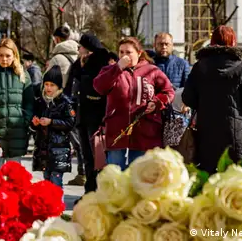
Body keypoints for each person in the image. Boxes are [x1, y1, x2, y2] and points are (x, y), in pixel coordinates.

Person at [182, 26, 242, 174]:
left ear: (212, 41)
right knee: (237, 178)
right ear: (233, 41)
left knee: (211, 179)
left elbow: (187, 98)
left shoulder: (199, 66)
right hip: (238, 135)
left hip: (207, 134)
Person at [93, 36, 175, 170]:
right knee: (116, 175)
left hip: (145, 132)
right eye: (121, 52)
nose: (124, 56)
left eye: (128, 52)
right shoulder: (111, 70)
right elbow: (99, 87)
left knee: (140, 174)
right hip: (117, 132)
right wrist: (118, 68)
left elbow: (168, 91)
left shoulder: (152, 71)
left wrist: (156, 102)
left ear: (139, 53)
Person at [64, 33, 111, 192]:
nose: (78, 49)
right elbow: (71, 87)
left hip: (96, 118)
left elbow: (98, 89)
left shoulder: (102, 63)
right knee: (87, 157)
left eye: (80, 47)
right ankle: (90, 190)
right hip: (82, 116)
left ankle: (100, 191)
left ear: (88, 49)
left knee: (98, 157)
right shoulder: (79, 64)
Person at [0, 38, 35, 169]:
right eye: (1, 55)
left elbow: (29, 102)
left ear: (14, 55)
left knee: (15, 176)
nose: (4, 59)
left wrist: (25, 120)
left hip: (17, 132)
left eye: (8, 55)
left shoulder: (23, 75)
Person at [32, 66, 77, 188]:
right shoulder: (40, 101)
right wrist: (35, 123)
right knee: (46, 180)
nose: (48, 88)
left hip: (59, 149)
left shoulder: (65, 102)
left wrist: (51, 122)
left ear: (58, 87)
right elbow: (34, 124)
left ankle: (58, 201)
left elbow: (70, 123)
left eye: (52, 85)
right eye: (46, 84)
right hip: (43, 149)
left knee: (56, 181)